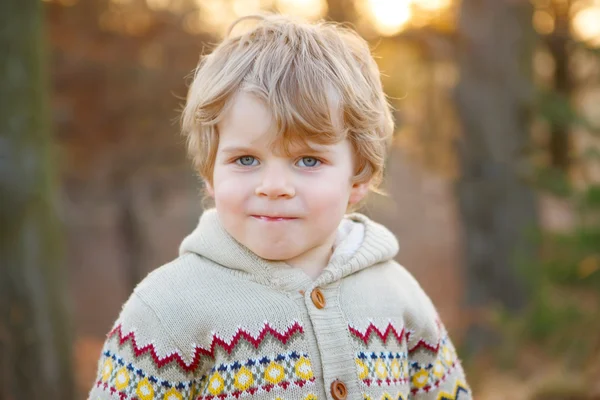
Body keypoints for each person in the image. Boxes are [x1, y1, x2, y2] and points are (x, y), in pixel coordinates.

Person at [88, 13, 471, 400]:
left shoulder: (397, 294)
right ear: (210, 172)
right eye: (246, 160)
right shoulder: (167, 308)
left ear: (359, 177)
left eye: (308, 161)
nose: (273, 188)